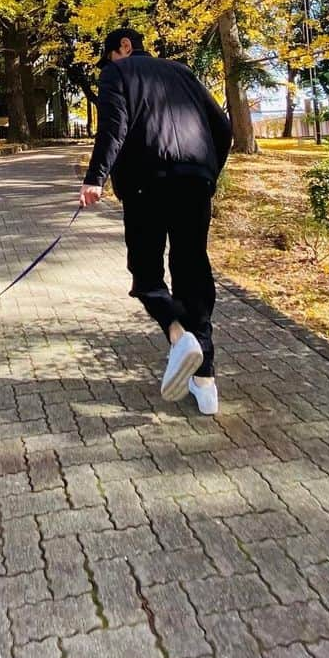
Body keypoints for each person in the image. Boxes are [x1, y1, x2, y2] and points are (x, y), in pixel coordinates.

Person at [79, 27, 232, 414]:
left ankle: (179, 336)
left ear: (124, 47)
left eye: (110, 54)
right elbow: (224, 127)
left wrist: (95, 178)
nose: (109, 64)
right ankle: (206, 383)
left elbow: (113, 126)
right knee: (192, 271)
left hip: (147, 183)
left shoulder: (119, 72)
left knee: (146, 273)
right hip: (196, 182)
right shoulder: (182, 72)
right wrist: (209, 171)